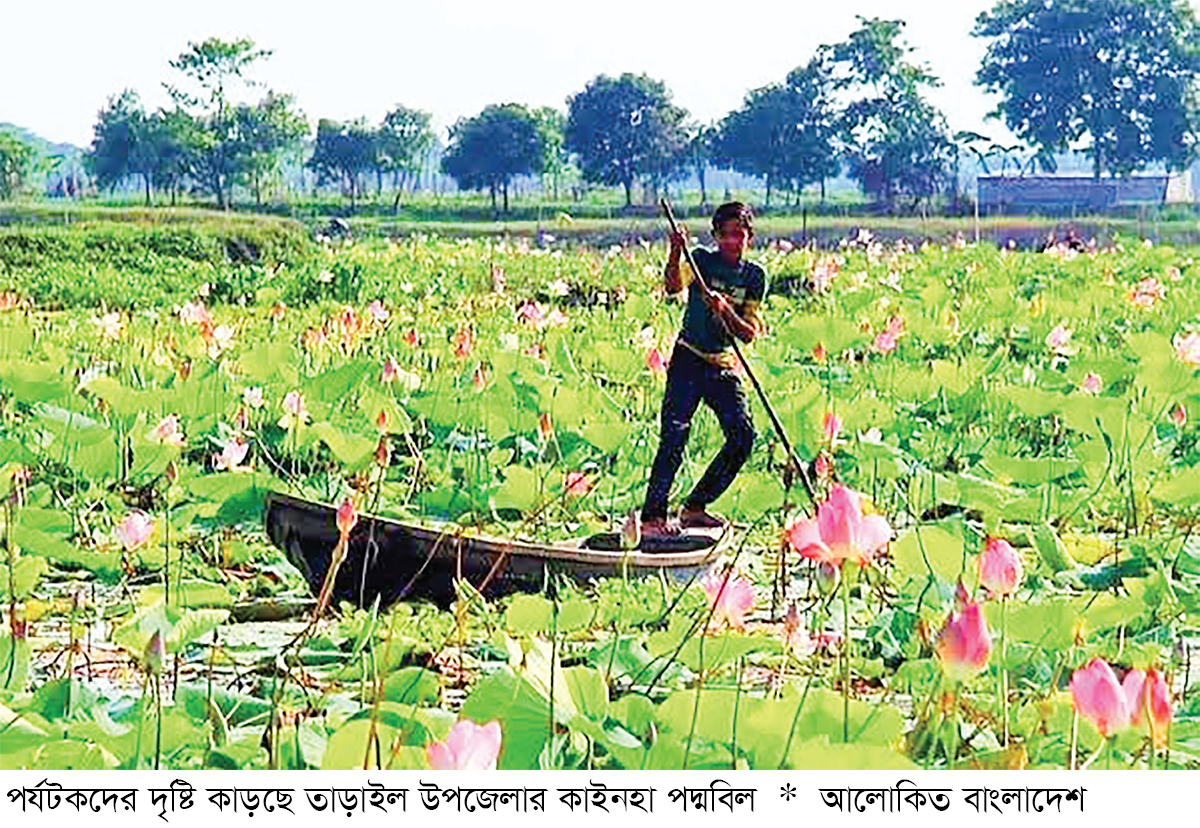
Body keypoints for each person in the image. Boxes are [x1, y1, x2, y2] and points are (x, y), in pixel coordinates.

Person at [641, 202, 766, 538]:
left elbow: (748, 333)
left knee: (742, 437)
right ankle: (653, 517)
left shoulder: (755, 277)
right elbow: (673, 287)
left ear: (749, 236)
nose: (731, 241)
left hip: (721, 365)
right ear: (715, 236)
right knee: (675, 435)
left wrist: (725, 310)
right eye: (724, 235)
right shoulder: (700, 261)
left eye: (738, 234)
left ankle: (695, 506)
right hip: (688, 358)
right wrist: (675, 252)